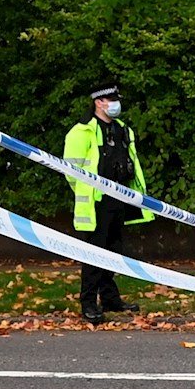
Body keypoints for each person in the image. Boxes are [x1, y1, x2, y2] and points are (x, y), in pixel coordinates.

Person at [61, 82, 147, 326]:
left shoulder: (122, 130)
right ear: (99, 102)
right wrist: (87, 192)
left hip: (120, 199)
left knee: (114, 251)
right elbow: (71, 170)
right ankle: (88, 303)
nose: (116, 104)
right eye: (111, 99)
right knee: (94, 254)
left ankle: (110, 299)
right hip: (97, 202)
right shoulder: (82, 131)